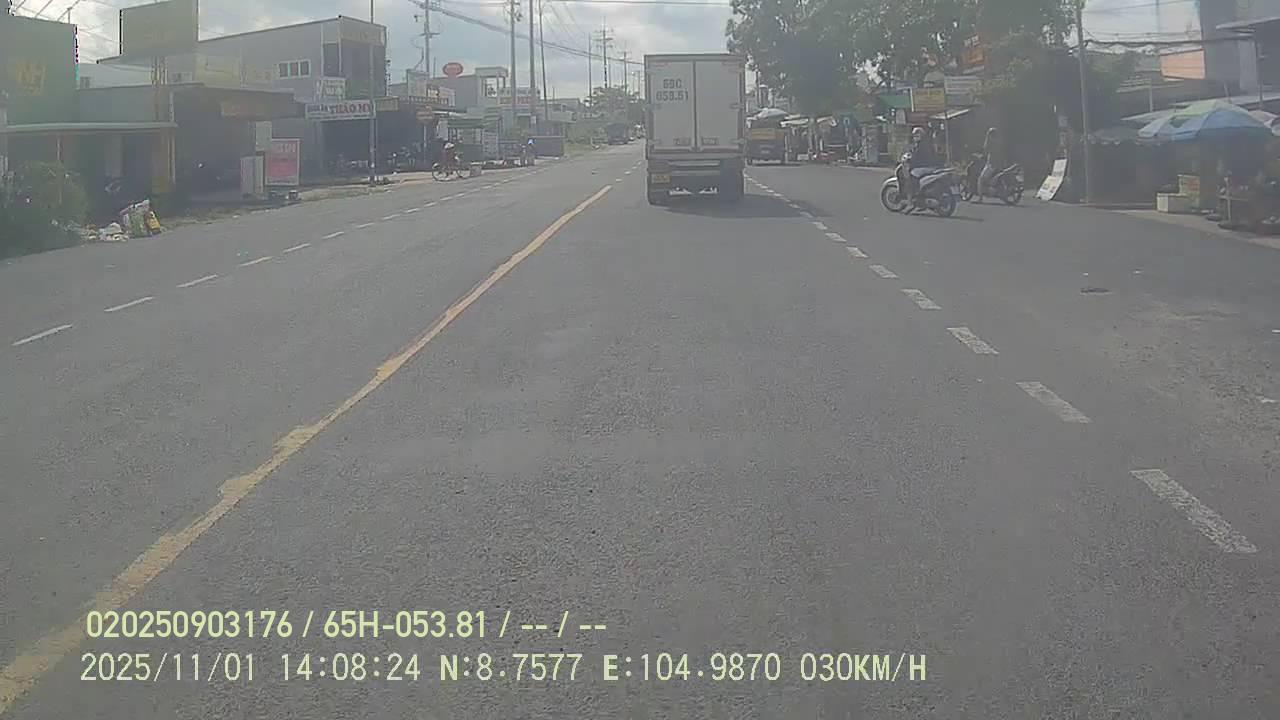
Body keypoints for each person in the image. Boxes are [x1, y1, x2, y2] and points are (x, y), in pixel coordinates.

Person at [905, 126, 940, 205]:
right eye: (914, 136)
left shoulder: (921, 145)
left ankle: (916, 194)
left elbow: (917, 157)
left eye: (916, 135)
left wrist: (910, 161)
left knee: (912, 175)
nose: (915, 137)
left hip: (926, 166)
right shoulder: (925, 143)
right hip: (931, 165)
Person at [978, 127, 1004, 204]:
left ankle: (980, 198)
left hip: (992, 164)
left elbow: (985, 150)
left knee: (980, 179)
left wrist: (986, 138)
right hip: (1000, 164)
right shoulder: (999, 142)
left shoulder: (991, 142)